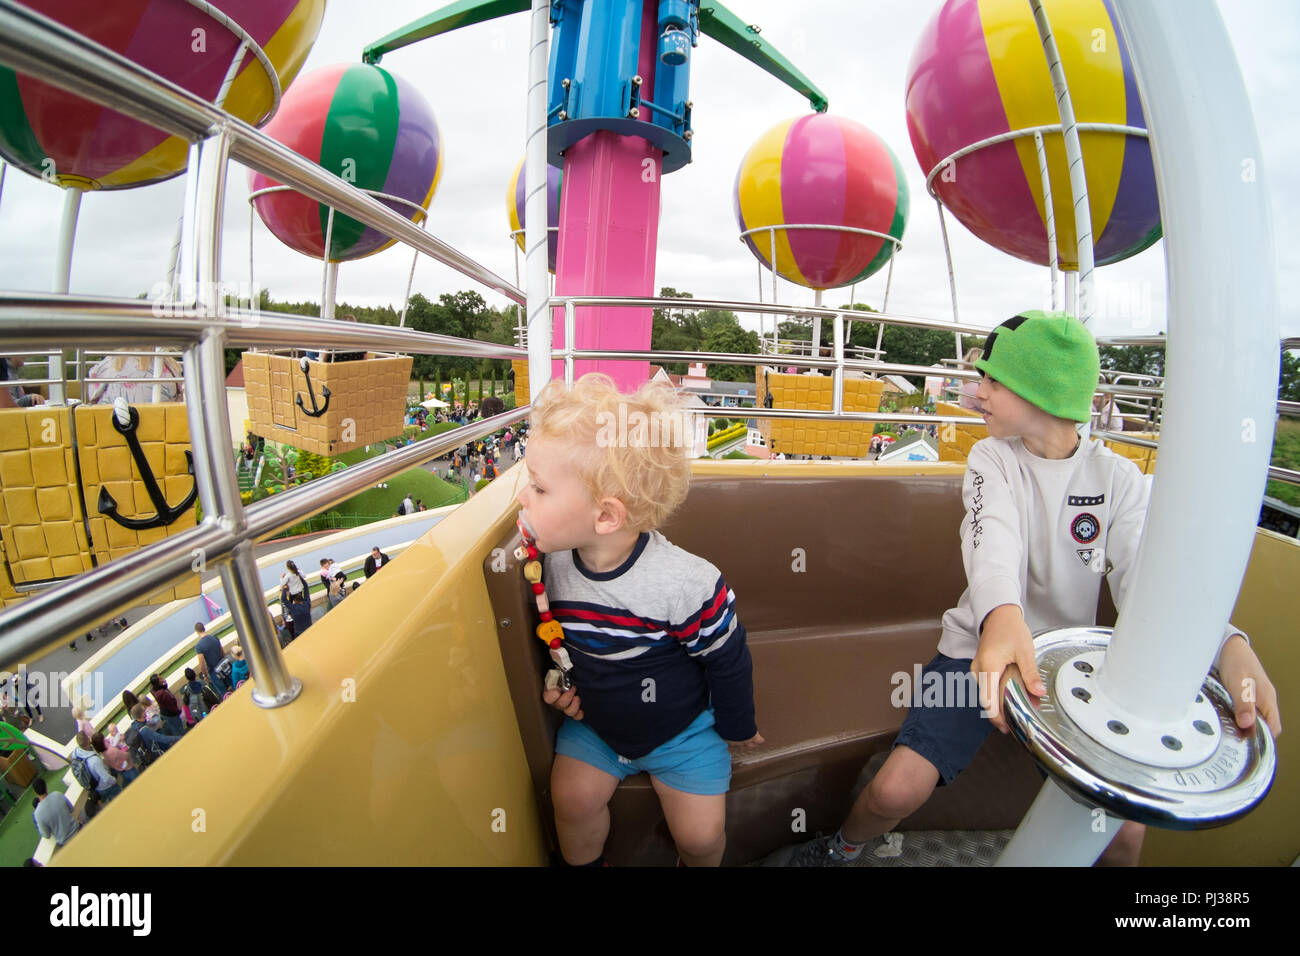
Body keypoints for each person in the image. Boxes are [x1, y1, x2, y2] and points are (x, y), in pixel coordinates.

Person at [786, 311, 1282, 867]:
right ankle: (842, 848)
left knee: (1123, 839)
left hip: (1068, 665)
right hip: (983, 648)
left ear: (1040, 390)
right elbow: (990, 538)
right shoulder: (991, 459)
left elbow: (1150, 578)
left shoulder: (1118, 481)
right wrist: (1000, 617)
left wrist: (1227, 644)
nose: (978, 393)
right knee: (894, 790)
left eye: (993, 382)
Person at [518, 374, 762, 867]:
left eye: (539, 488)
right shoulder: (552, 561)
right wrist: (558, 683)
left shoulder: (686, 582)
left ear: (606, 517)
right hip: (598, 727)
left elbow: (728, 658)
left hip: (683, 732)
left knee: (700, 837)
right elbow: (564, 643)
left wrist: (738, 725)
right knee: (569, 802)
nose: (522, 495)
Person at [85, 353, 181, 404]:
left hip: (111, 431)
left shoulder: (107, 365)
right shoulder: (170, 367)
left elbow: (92, 396)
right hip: (160, 433)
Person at [71, 731, 120, 804]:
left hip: (97, 787)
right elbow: (106, 778)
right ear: (88, 740)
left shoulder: (76, 753)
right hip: (106, 786)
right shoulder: (94, 761)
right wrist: (114, 780)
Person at [31, 778, 79, 848]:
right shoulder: (57, 794)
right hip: (77, 830)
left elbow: (46, 834)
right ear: (46, 786)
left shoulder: (37, 814)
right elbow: (71, 809)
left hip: (65, 842)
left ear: (35, 792)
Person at [193, 622, 230, 696]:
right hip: (223, 666)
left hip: (213, 671)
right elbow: (222, 651)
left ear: (197, 632)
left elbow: (202, 664)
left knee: (223, 693)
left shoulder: (199, 646)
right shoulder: (214, 638)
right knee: (231, 684)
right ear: (204, 628)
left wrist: (205, 675)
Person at [280, 561, 313, 634]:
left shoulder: (288, 576)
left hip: (299, 632)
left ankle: (289, 617)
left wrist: (284, 587)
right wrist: (299, 576)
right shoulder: (306, 604)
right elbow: (306, 586)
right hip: (299, 592)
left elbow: (283, 598)